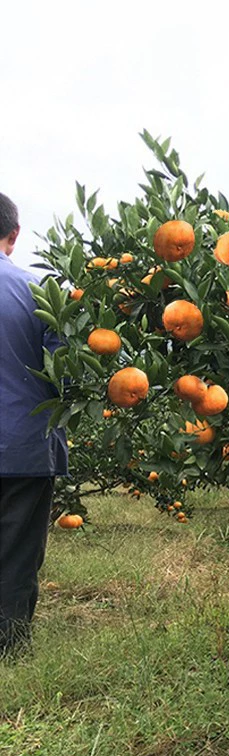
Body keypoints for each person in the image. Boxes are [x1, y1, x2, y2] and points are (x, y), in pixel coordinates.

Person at [0, 192, 68, 658]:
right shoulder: (39, 293)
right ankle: (8, 647)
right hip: (23, 445)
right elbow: (65, 373)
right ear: (14, 235)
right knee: (16, 555)